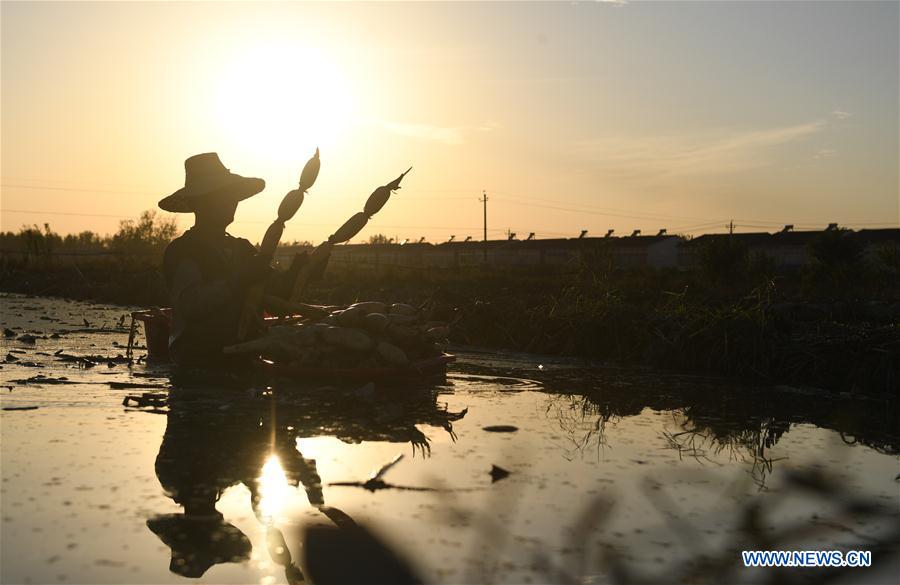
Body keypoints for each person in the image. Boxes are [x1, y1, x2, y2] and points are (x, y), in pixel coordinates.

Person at [159, 153, 273, 367]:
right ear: (200, 203)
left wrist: (303, 269)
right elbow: (191, 305)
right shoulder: (184, 250)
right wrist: (237, 281)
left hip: (245, 355)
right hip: (198, 359)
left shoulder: (242, 248)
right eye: (223, 196)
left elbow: (273, 298)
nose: (231, 203)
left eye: (233, 196)